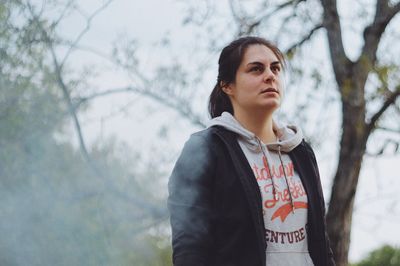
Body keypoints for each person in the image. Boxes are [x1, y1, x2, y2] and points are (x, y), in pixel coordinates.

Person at [167, 36, 335, 266]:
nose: (270, 76)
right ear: (227, 85)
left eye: (275, 68)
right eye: (256, 69)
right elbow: (189, 246)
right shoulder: (206, 149)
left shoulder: (301, 151)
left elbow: (320, 243)